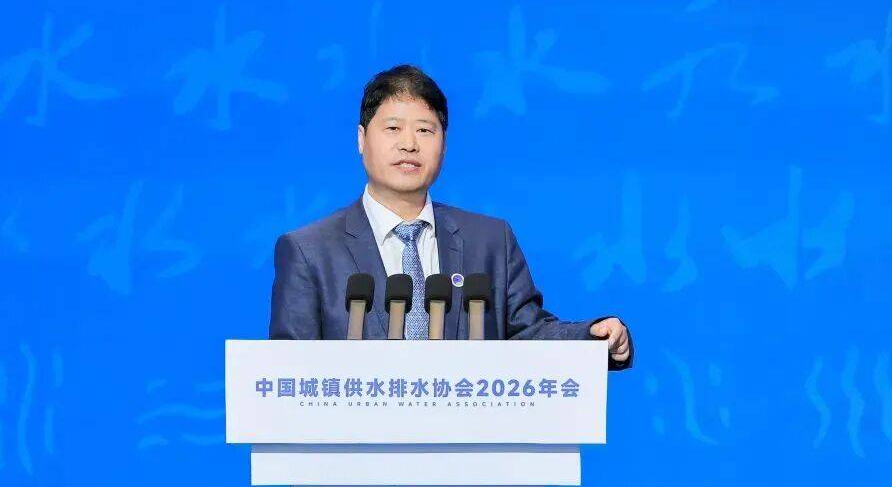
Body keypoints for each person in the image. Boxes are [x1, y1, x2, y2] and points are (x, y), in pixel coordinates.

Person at [269, 63, 633, 366]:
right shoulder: (308, 251)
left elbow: (528, 335)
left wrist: (592, 338)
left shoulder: (490, 241)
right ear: (361, 139)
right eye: (393, 128)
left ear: (443, 145)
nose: (409, 144)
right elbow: (290, 371)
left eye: (424, 130)